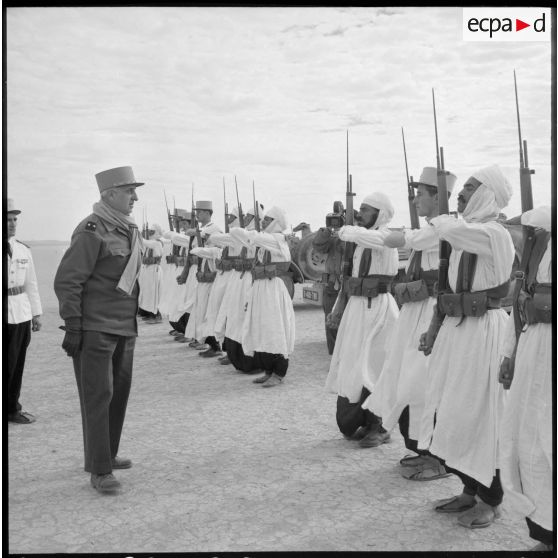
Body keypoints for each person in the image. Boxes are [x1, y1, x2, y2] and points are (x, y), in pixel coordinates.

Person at [417, 165, 515, 528]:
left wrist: (440, 216)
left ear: (488, 194)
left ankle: (491, 500)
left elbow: (452, 230)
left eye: (470, 188)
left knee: (481, 416)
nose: (461, 194)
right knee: (453, 411)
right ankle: (468, 490)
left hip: (484, 334)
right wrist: (434, 327)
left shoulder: (492, 234)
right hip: (458, 332)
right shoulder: (464, 233)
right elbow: (447, 287)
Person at [53, 165, 144, 493]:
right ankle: (99, 470)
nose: (135, 197)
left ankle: (108, 452)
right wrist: (73, 325)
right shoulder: (92, 230)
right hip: (95, 328)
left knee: (118, 393)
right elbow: (67, 280)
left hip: (124, 326)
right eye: (129, 191)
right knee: (98, 395)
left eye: (135, 191)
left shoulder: (128, 229)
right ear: (110, 194)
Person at [362, 167, 456, 479]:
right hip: (414, 312)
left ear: (437, 197)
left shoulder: (444, 228)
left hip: (432, 313)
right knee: (407, 379)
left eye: (420, 195)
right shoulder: (427, 231)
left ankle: (439, 457)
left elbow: (400, 240)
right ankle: (422, 450)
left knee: (425, 384)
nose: (415, 200)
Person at [324, 192, 399, 447]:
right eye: (361, 209)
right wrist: (339, 308)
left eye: (366, 210)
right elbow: (349, 281)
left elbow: (365, 236)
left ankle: (380, 426)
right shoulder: (359, 242)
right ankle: (361, 421)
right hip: (358, 309)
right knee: (354, 363)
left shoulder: (384, 237)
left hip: (378, 308)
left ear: (380, 214)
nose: (361, 214)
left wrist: (347, 228)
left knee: (375, 366)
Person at [498, 206, 552, 551]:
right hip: (534, 352)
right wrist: (510, 353)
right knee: (531, 448)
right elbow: (521, 305)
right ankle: (548, 534)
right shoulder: (539, 243)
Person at [230, 206, 295, 387]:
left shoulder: (276, 239)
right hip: (260, 288)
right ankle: (268, 369)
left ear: (275, 223)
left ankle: (279, 371)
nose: (263, 222)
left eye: (267, 220)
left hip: (272, 288)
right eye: (264, 219)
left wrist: (249, 229)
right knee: (261, 328)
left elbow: (240, 233)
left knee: (274, 328)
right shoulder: (264, 241)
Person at [6, 198, 42, 424]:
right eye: (7, 219)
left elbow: (32, 283)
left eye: (14, 219)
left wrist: (36, 314)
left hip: (20, 312)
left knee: (16, 364)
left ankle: (11, 408)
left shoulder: (22, 249)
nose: (12, 224)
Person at [216, 204, 263, 373]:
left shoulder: (256, 236)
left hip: (250, 281)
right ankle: (234, 355)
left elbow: (239, 234)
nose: (247, 220)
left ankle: (252, 361)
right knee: (233, 318)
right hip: (238, 281)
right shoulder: (243, 235)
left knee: (246, 319)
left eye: (250, 217)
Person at [183, 200, 222, 355]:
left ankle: (215, 346)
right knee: (202, 310)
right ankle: (208, 342)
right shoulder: (202, 228)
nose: (197, 214)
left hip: (211, 275)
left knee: (209, 311)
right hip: (202, 275)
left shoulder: (214, 228)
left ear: (207, 212)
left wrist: (197, 233)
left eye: (199, 212)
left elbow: (208, 241)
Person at [311, 222, 344, 355]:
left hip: (351, 283)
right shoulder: (333, 238)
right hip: (333, 284)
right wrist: (326, 232)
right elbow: (318, 245)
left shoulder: (358, 236)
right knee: (331, 319)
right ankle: (334, 352)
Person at [138, 223, 164, 324]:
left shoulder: (157, 243)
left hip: (154, 270)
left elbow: (145, 242)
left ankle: (156, 315)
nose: (150, 233)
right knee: (147, 293)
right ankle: (149, 313)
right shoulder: (150, 242)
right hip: (147, 270)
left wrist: (138, 235)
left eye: (152, 231)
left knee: (154, 293)